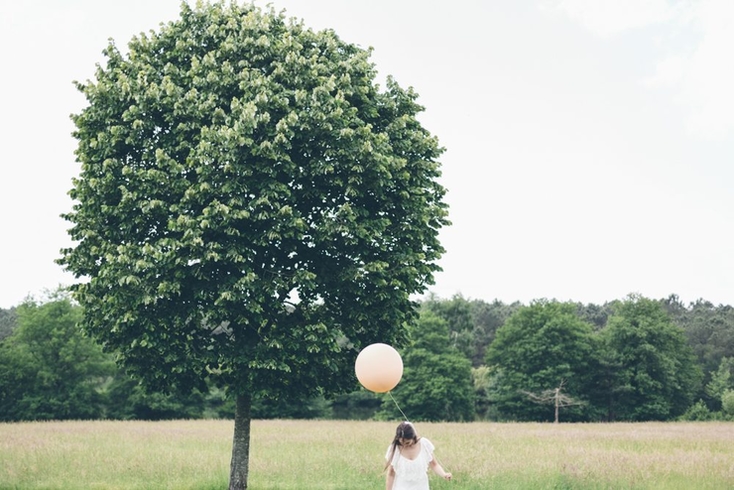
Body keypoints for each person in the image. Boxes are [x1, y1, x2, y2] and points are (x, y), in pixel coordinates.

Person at [385, 421, 452, 490]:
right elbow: (391, 473)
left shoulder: (424, 444)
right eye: (402, 442)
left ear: (413, 437)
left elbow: (434, 465)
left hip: (421, 487)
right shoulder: (394, 449)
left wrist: (444, 474)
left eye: (407, 442)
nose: (404, 445)